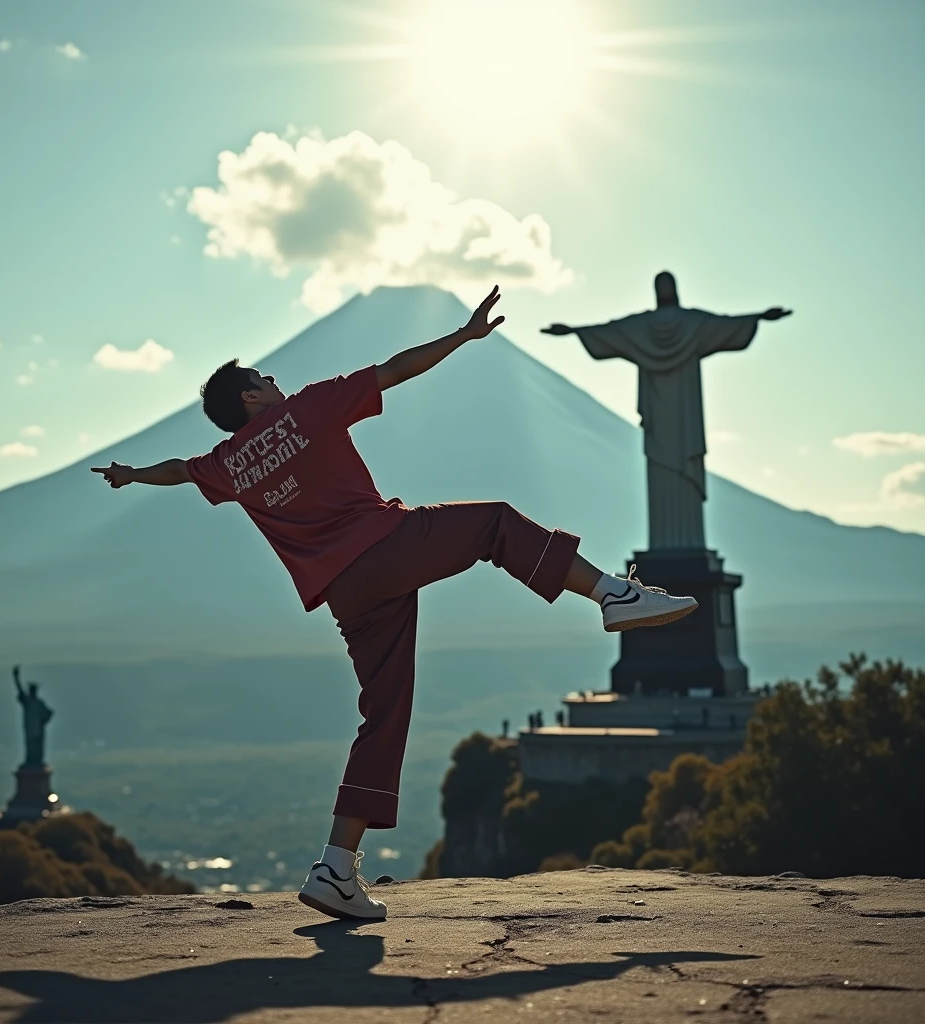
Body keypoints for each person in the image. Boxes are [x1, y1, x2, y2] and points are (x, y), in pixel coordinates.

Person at [91, 286, 698, 922]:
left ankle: (335, 866)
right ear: (251, 396)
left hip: (347, 592)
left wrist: (132, 474)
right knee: (493, 523)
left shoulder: (226, 463)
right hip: (384, 547)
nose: (274, 379)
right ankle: (612, 594)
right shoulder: (309, 408)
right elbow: (396, 369)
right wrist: (462, 337)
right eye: (262, 377)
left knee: (384, 716)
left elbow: (180, 470)